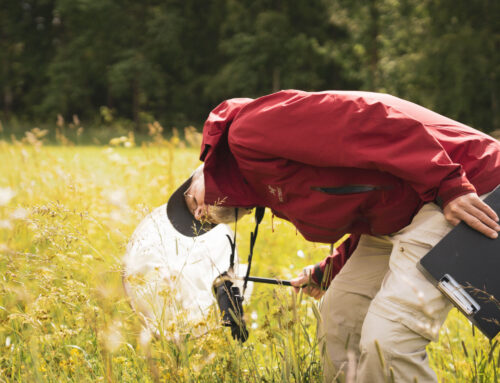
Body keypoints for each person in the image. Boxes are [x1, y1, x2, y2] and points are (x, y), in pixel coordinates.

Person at [166, 89, 500, 383]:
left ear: (201, 170)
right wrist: (329, 269)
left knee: (389, 341)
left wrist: (449, 184)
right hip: (407, 209)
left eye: (192, 199)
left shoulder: (248, 132)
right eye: (200, 218)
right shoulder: (267, 195)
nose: (199, 213)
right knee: (339, 316)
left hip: (453, 187)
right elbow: (368, 204)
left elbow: (367, 119)